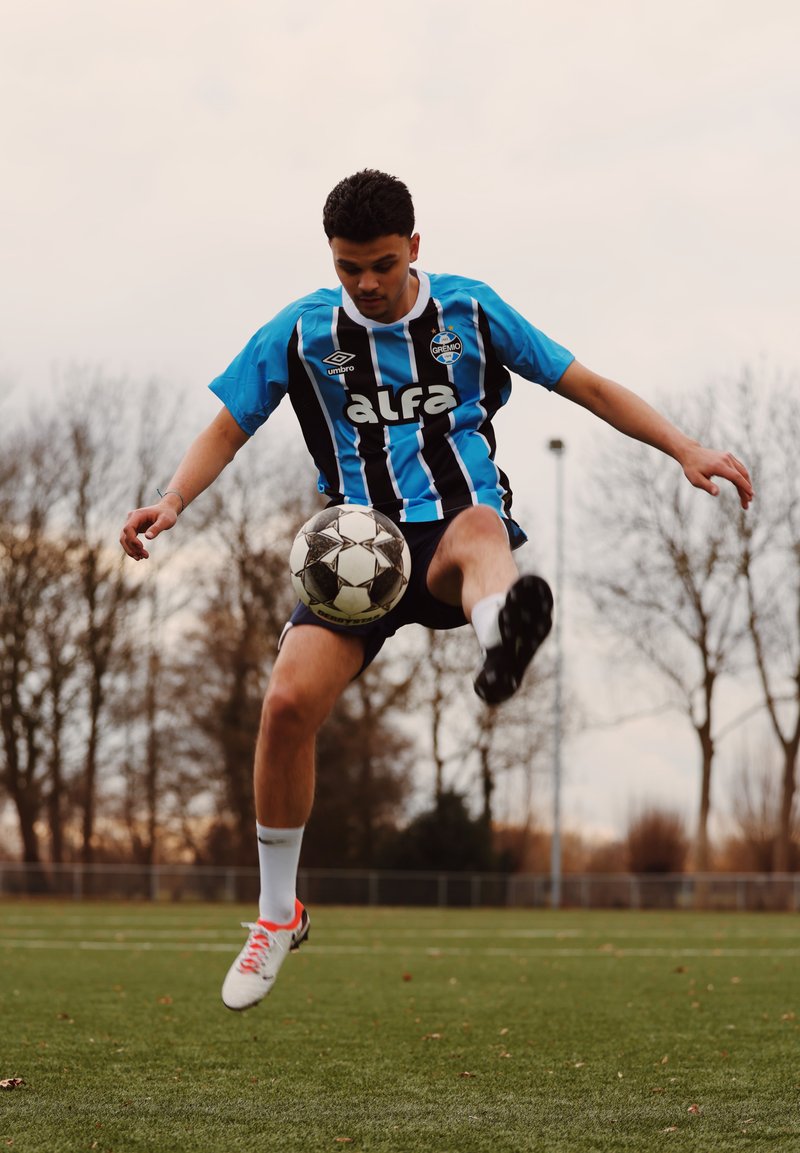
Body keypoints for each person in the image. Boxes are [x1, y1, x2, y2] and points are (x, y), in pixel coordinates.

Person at [120, 169, 753, 1011]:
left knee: (483, 527)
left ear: (415, 247)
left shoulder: (471, 311)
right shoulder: (302, 331)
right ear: (332, 259)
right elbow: (228, 427)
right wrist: (171, 500)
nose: (367, 283)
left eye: (382, 263)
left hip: (455, 530)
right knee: (285, 707)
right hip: (358, 556)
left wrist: (685, 448)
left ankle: (501, 637)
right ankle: (277, 915)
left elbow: (586, 385)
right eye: (349, 267)